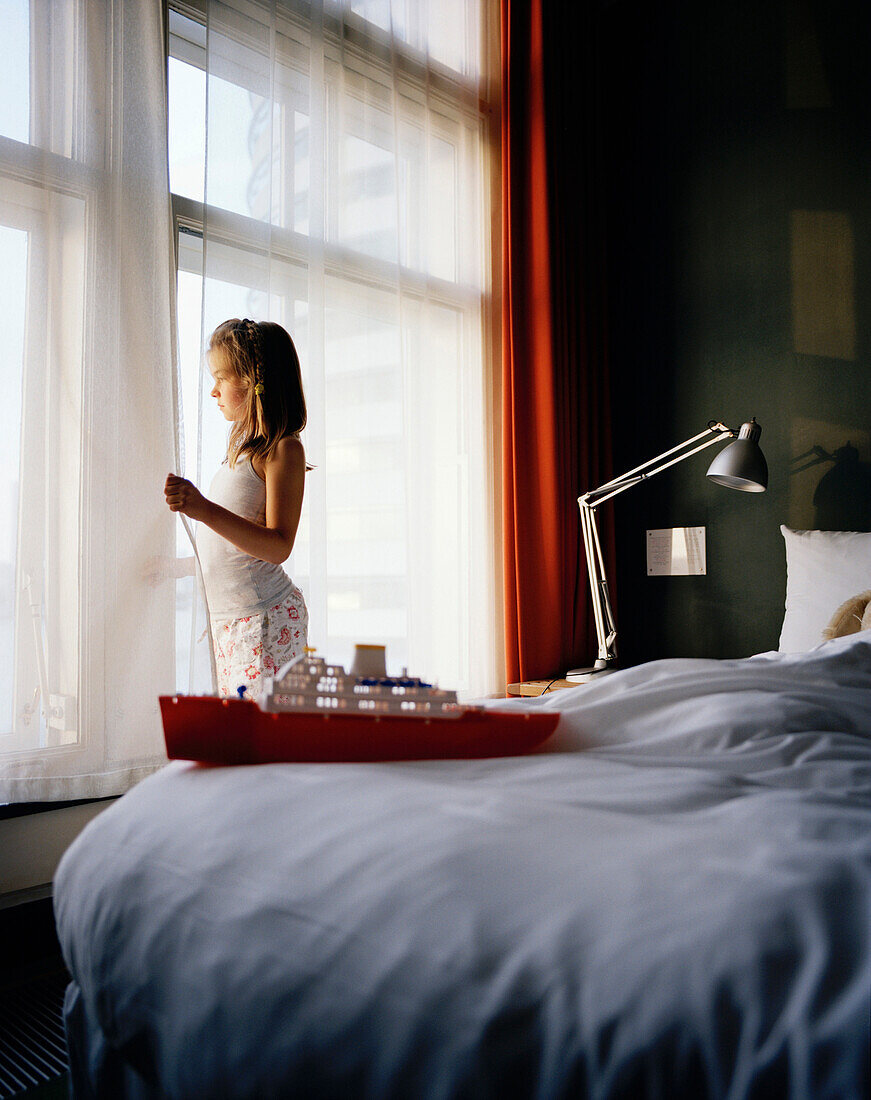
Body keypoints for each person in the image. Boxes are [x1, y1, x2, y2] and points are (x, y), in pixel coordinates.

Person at [164, 318, 309, 699]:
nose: (213, 391)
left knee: (260, 734)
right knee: (241, 728)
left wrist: (201, 508)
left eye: (221, 378)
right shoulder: (239, 452)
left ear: (253, 380)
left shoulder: (284, 449)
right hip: (231, 619)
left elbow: (279, 546)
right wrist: (174, 569)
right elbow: (228, 548)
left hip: (264, 618)